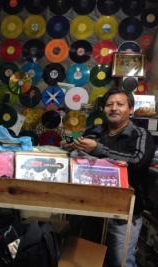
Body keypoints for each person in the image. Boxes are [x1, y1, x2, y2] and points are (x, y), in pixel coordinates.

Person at [62, 88, 155, 267]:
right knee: (87, 258)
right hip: (91, 207)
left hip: (124, 211)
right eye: (109, 105)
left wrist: (98, 149)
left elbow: (137, 161)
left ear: (131, 109)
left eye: (120, 104)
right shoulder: (96, 130)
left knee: (121, 261)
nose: (114, 108)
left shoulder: (141, 135)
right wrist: (71, 144)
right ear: (103, 109)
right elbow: (77, 147)